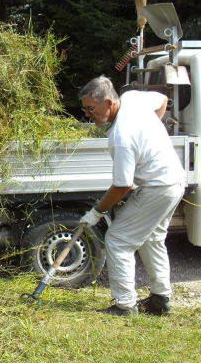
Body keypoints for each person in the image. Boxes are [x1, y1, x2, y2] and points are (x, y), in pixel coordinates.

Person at [78, 76, 184, 317]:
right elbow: (162, 101)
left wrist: (95, 213)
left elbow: (122, 186)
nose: (87, 115)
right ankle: (161, 299)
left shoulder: (121, 137)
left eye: (90, 109)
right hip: (174, 181)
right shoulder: (132, 99)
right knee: (152, 238)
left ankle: (125, 305)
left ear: (108, 102)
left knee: (118, 240)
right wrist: (150, 134)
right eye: (85, 110)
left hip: (157, 187)